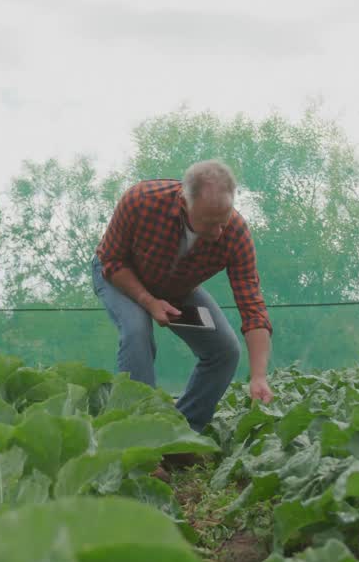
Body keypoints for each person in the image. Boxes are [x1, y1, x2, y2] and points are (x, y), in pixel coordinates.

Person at [91, 159, 275, 437]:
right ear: (184, 202)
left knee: (225, 350)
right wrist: (149, 302)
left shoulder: (235, 234)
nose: (218, 233)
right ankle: (139, 438)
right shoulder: (142, 201)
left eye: (223, 220)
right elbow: (112, 261)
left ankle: (182, 434)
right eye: (209, 223)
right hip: (120, 276)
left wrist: (259, 376)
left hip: (176, 287)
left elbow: (252, 307)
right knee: (137, 330)